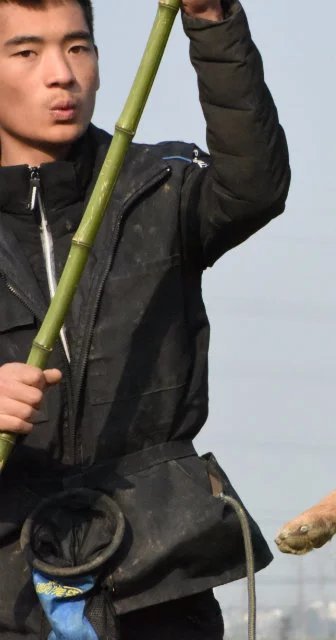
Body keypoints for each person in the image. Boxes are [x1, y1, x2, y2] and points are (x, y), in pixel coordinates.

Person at [0, 0, 290, 637]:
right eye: (26, 52)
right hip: (10, 588)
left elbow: (255, 185)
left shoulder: (156, 184)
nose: (61, 74)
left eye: (78, 48)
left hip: (155, 570)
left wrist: (213, 22)